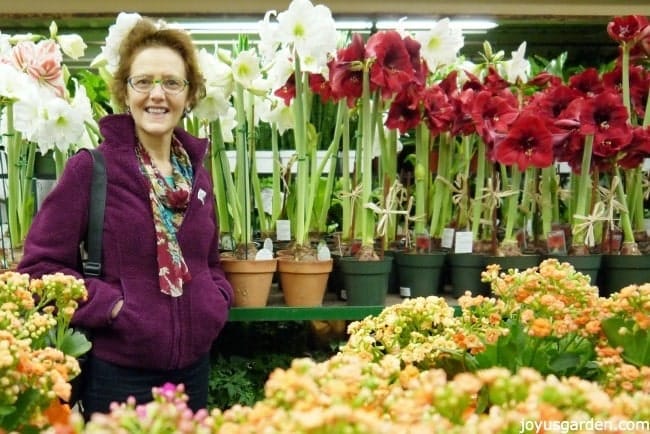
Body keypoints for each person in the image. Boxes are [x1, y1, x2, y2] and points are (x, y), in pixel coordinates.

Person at [17, 16, 233, 418]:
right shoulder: (91, 170)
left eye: (172, 82)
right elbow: (38, 268)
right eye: (143, 81)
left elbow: (209, 262)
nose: (157, 94)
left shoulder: (198, 175)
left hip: (193, 371)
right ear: (125, 91)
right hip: (119, 375)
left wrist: (214, 300)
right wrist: (112, 307)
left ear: (189, 96)